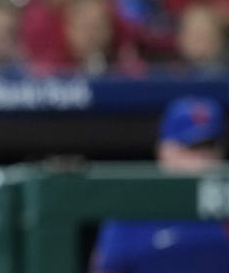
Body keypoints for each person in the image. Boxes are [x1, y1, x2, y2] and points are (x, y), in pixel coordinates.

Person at [90, 96, 229, 273]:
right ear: (164, 151)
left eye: (210, 147)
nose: (203, 160)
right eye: (191, 148)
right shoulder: (131, 214)